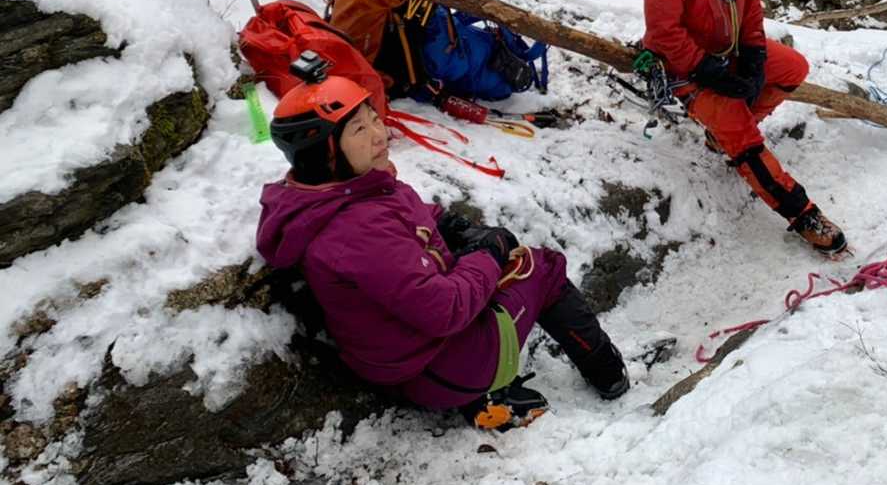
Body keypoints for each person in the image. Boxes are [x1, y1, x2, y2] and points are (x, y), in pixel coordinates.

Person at [255, 52, 628, 430]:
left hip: (409, 358)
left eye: (373, 118)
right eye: (359, 130)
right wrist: (487, 253)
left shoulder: (342, 192)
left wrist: (454, 228)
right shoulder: (354, 232)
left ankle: (482, 390)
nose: (379, 134)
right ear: (324, 152)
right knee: (541, 267)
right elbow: (446, 309)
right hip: (442, 368)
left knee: (492, 264)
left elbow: (411, 218)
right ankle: (608, 374)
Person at [642, 0, 846, 254]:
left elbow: (750, 8)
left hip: (728, 50)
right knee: (745, 139)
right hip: (686, 66)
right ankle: (802, 213)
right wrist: (707, 70)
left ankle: (724, 135)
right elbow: (664, 32)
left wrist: (753, 56)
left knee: (792, 67)